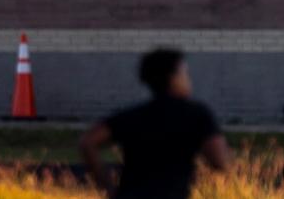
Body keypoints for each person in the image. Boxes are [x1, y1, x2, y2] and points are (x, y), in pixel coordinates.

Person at [79, 48, 233, 198]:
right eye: (185, 74)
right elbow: (220, 162)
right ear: (173, 78)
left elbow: (88, 141)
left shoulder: (133, 116)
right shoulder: (196, 114)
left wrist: (108, 187)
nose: (188, 80)